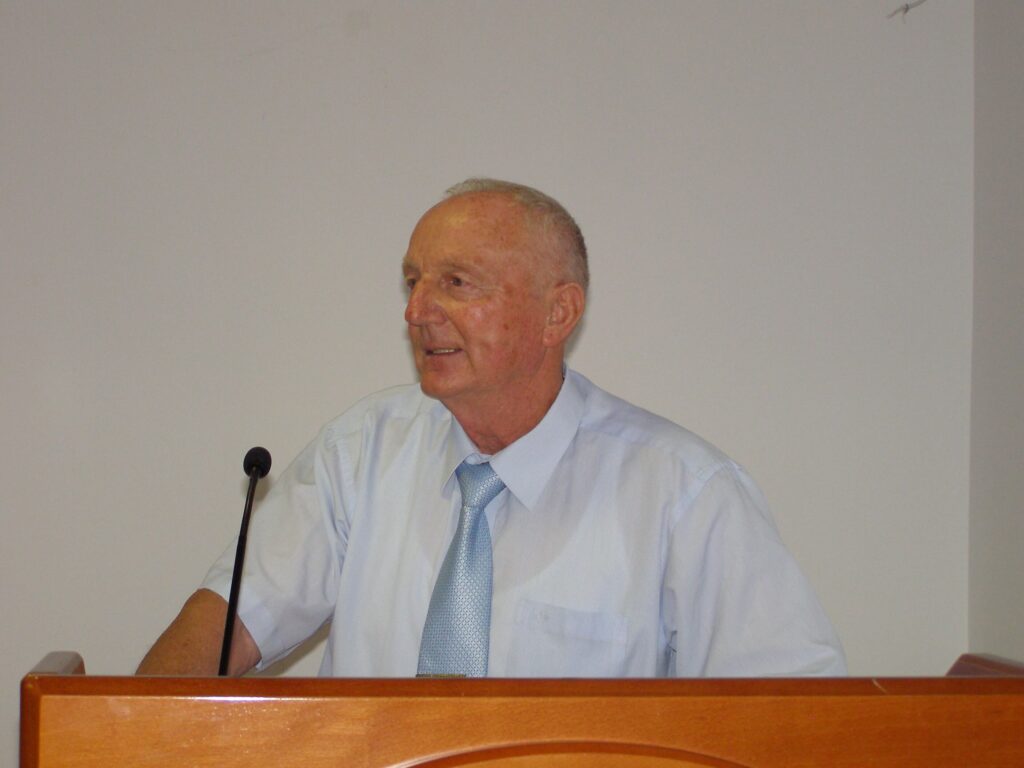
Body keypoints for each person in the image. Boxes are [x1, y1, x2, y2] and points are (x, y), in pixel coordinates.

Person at [138, 179, 845, 678]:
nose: (417, 311)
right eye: (413, 281)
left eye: (456, 283)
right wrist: (134, 730)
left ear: (557, 314)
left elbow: (797, 717)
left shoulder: (684, 493)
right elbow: (227, 626)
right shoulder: (362, 453)